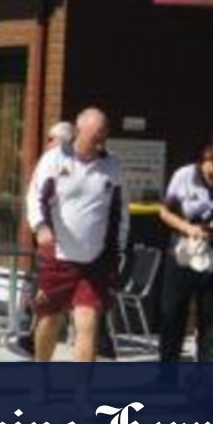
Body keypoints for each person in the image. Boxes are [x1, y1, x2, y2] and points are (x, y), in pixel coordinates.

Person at [26, 108, 128, 363]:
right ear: (78, 131)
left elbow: (121, 210)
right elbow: (34, 197)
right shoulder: (55, 159)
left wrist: (119, 248)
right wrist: (40, 227)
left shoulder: (111, 166)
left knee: (88, 321)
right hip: (58, 257)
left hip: (94, 260)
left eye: (103, 137)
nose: (100, 143)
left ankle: (81, 395)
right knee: (49, 320)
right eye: (95, 137)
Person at [158, 137, 213, 365]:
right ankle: (167, 374)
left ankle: (205, 376)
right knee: (174, 312)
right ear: (207, 158)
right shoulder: (185, 175)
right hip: (184, 250)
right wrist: (189, 228)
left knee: (211, 316)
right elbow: (165, 212)